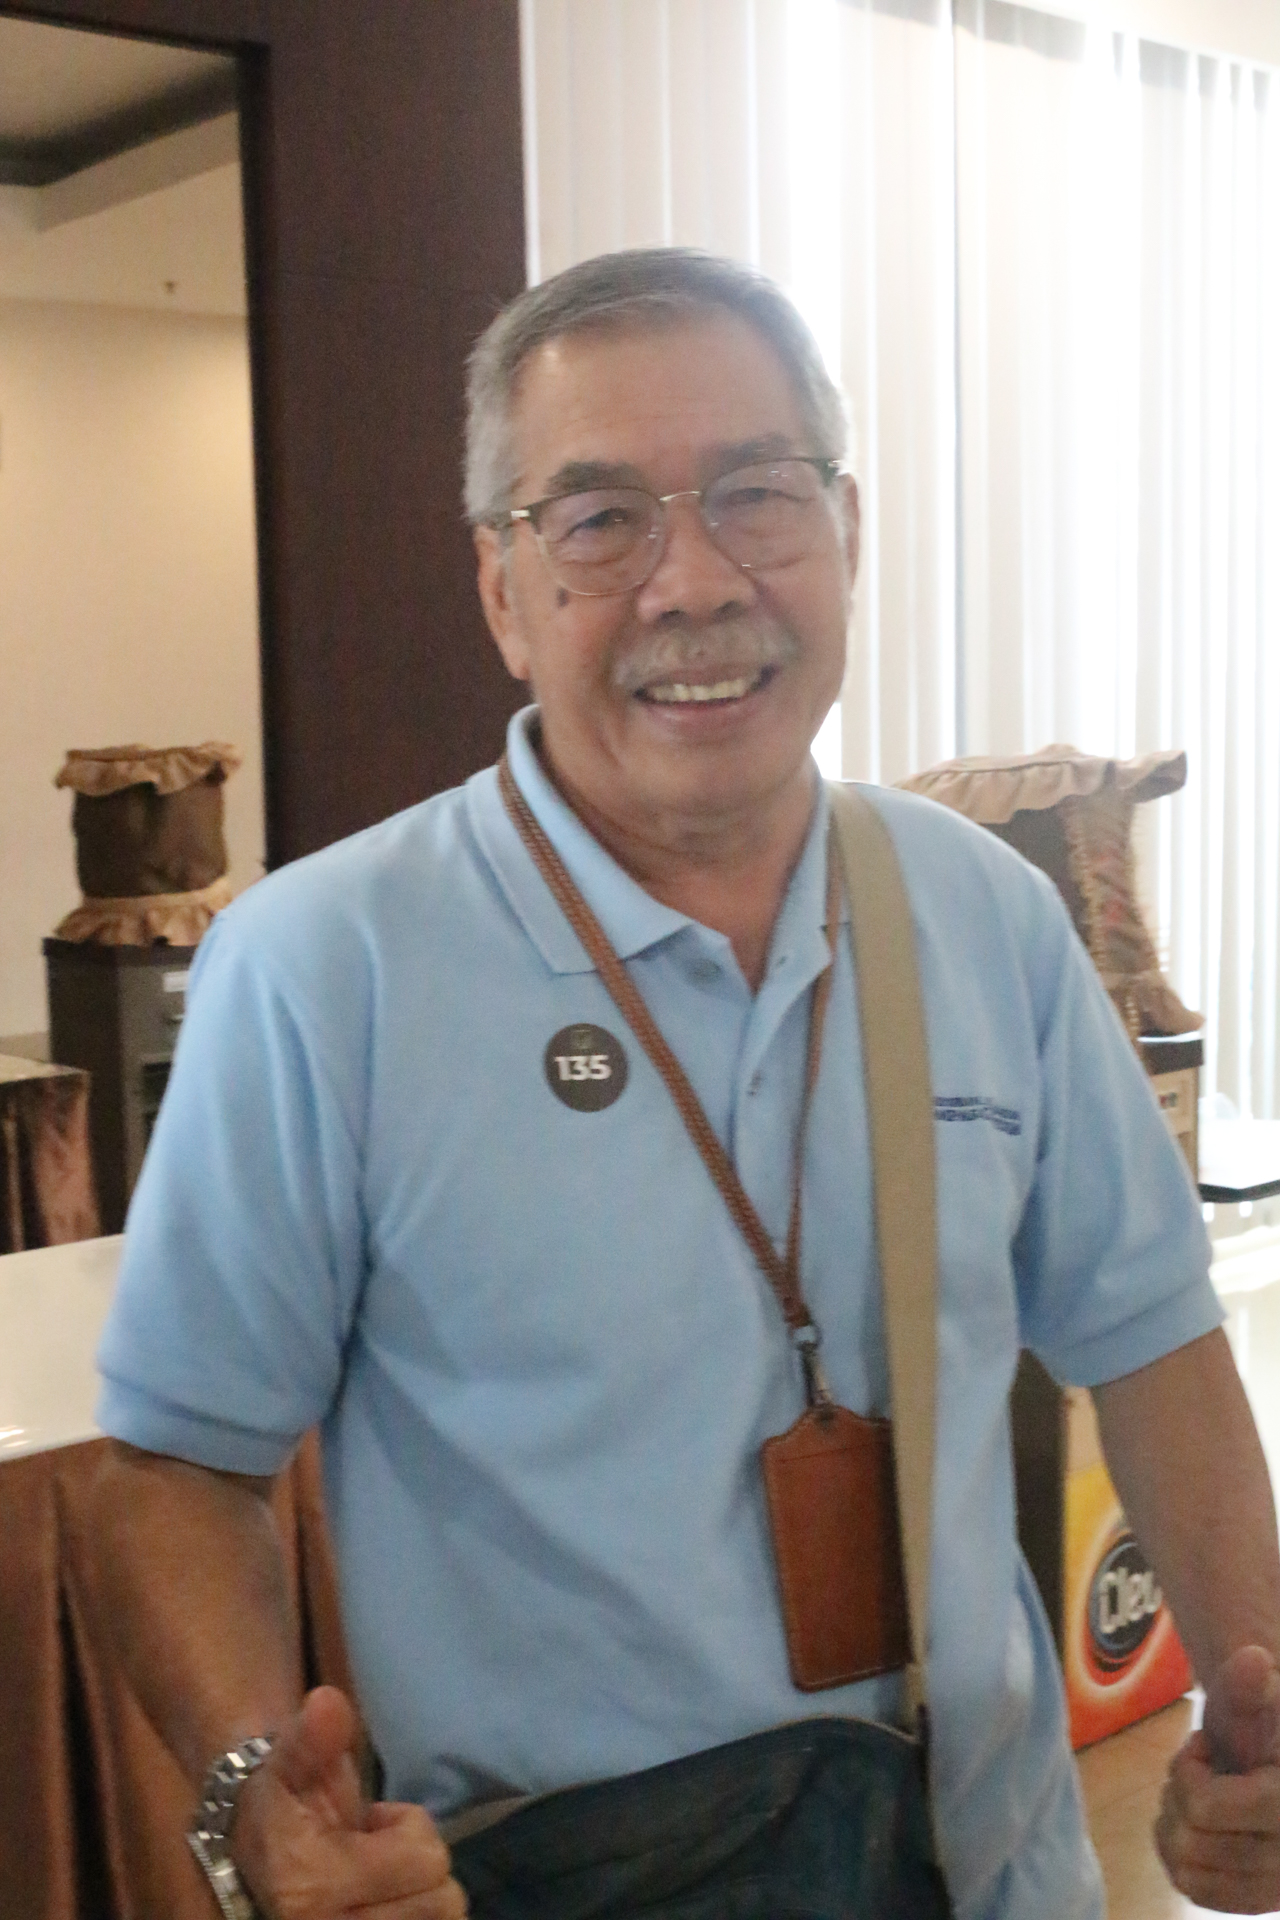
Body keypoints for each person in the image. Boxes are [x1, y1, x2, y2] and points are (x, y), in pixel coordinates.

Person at [90, 248, 1280, 1920]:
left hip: (991, 1870)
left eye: (757, 493)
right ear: (503, 592)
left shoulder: (979, 915)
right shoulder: (323, 967)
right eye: (599, 521)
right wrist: (252, 1800)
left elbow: (1150, 1338)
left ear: (846, 532)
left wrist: (1257, 1714)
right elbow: (177, 1469)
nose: (694, 581)